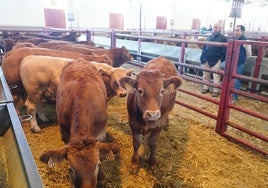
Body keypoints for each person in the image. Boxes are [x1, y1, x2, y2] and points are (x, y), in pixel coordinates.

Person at [200, 22, 227, 97]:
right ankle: (206, 87)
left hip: (216, 59)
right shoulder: (209, 37)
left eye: (216, 27)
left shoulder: (223, 38)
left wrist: (221, 59)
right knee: (205, 74)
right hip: (206, 59)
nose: (214, 28)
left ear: (220, 28)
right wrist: (203, 56)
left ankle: (216, 90)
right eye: (214, 27)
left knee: (216, 75)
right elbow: (205, 47)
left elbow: (224, 51)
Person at [232, 25, 252, 104]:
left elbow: (248, 53)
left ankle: (235, 97)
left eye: (237, 30)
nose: (235, 32)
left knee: (236, 80)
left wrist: (243, 60)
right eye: (235, 30)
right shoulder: (233, 39)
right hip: (232, 62)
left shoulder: (245, 41)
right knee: (231, 79)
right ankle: (230, 95)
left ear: (242, 31)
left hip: (239, 62)